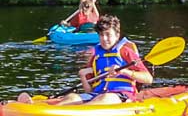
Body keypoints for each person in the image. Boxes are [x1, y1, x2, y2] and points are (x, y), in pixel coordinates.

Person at [18, 14, 152, 105]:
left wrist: (125, 72)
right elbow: (89, 91)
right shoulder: (96, 55)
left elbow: (148, 79)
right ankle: (42, 111)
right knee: (72, 97)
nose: (104, 39)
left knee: (104, 98)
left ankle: (76, 114)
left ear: (117, 35)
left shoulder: (125, 51)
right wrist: (83, 77)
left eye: (108, 35)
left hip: (122, 96)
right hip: (97, 95)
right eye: (101, 35)